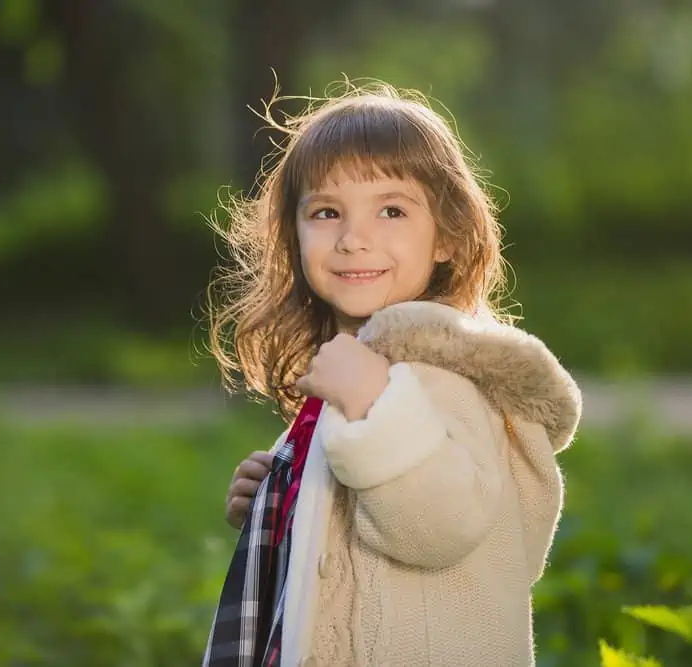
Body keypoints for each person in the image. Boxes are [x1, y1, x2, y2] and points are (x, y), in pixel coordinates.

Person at [203, 81, 582, 667]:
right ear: (293, 236)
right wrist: (275, 500)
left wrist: (374, 404)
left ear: (448, 238)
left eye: (392, 210)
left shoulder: (440, 379)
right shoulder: (364, 380)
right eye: (327, 212)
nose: (355, 238)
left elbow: (440, 523)